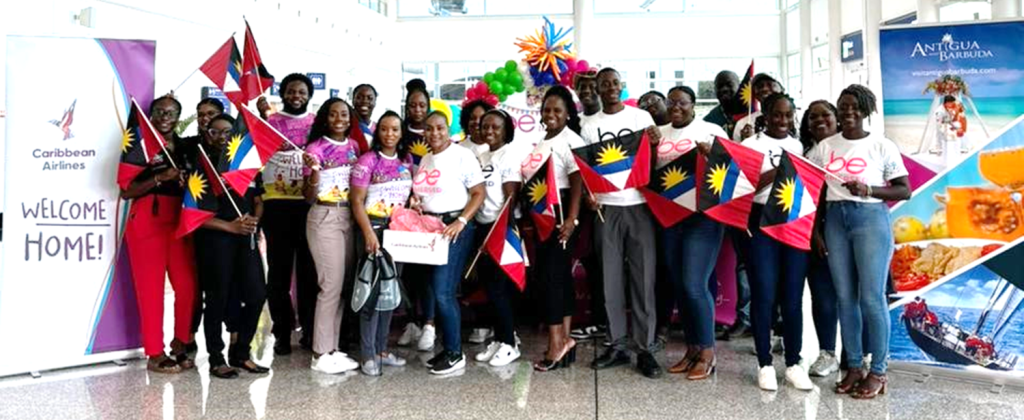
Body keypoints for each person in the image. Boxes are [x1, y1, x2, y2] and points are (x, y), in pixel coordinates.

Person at [807, 84, 911, 399]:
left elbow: (903, 190)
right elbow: (812, 187)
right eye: (843, 106)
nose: (848, 112)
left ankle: (878, 371)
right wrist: (816, 231)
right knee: (845, 299)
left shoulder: (881, 146)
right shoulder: (826, 147)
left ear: (865, 111)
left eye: (854, 107)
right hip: (836, 220)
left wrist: (870, 190)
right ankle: (853, 366)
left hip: (870, 220)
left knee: (871, 298)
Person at [580, 68, 664, 379]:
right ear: (598, 90)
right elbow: (586, 167)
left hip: (640, 206)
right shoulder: (588, 125)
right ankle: (616, 343)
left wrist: (654, 142)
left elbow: (655, 158)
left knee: (643, 279)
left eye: (615, 83)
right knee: (610, 280)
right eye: (605, 84)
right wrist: (589, 195)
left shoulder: (641, 118)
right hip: (606, 210)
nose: (611, 88)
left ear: (622, 86)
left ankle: (645, 348)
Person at [654, 86, 729, 380]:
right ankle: (692, 348)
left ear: (693, 105)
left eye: (682, 102)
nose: (676, 107)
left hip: (703, 218)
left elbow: (730, 173)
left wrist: (712, 156)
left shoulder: (711, 130)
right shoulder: (659, 132)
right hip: (670, 217)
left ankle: (708, 352)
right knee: (679, 284)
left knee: (694, 283)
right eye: (671, 102)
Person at [740, 93, 813, 391]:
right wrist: (777, 171)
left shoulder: (798, 146)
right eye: (777, 115)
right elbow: (741, 187)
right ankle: (765, 363)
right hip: (761, 221)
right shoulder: (750, 145)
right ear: (765, 115)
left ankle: (794, 363)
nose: (783, 121)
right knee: (764, 294)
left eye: (789, 115)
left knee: (793, 297)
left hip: (793, 218)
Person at [120, 95, 197, 374]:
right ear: (151, 115)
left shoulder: (188, 146)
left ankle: (180, 343)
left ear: (178, 117)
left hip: (180, 220)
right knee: (151, 291)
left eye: (171, 112)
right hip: (147, 221)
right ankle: (154, 352)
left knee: (187, 286)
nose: (165, 116)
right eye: (160, 111)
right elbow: (126, 190)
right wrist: (159, 178)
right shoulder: (141, 145)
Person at [192, 114, 268, 379]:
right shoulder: (202, 168)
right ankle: (216, 358)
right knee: (217, 299)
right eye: (216, 132)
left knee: (258, 293)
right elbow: (193, 216)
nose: (223, 137)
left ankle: (242, 352)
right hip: (217, 240)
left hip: (245, 237)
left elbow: (258, 199)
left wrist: (255, 218)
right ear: (207, 134)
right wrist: (230, 227)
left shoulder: (246, 164)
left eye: (228, 133)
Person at [411, 111, 486, 375]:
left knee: (443, 291)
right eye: (429, 129)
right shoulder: (425, 158)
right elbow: (422, 193)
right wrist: (416, 203)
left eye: (440, 128)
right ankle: (449, 347)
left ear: (448, 129)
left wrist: (462, 221)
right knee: (435, 288)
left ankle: (455, 354)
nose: (434, 133)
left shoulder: (462, 155)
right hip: (430, 230)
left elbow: (479, 192)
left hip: (454, 228)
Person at [349, 111, 413, 376]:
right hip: (373, 229)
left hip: (398, 232)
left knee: (390, 295)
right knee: (371, 295)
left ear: (401, 133)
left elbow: (408, 196)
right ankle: (367, 355)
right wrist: (368, 234)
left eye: (395, 129)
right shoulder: (367, 160)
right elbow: (356, 201)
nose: (389, 134)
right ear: (378, 132)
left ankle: (381, 350)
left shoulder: (406, 161)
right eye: (384, 129)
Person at [302, 98, 363, 374]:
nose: (339, 118)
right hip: (324, 217)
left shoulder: (354, 147)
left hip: (349, 217)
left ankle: (332, 347)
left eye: (344, 114)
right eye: (333, 114)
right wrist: (314, 172)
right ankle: (320, 354)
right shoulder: (314, 149)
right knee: (330, 286)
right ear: (325, 118)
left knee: (342, 286)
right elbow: (308, 196)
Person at [527, 86, 584, 371]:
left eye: (557, 110)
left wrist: (571, 220)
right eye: (547, 109)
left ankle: (556, 344)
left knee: (551, 280)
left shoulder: (570, 140)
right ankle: (562, 340)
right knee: (557, 278)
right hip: (542, 214)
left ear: (567, 114)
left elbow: (577, 181)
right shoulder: (542, 140)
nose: (551, 114)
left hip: (560, 213)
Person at [263, 73, 319, 355]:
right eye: (291, 91)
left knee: (309, 274)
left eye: (302, 92)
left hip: (309, 206)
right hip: (275, 206)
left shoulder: (315, 125)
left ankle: (309, 331)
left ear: (309, 95)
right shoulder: (269, 124)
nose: (296, 96)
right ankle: (282, 331)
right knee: (278, 274)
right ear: (283, 93)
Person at [471, 109, 524, 367]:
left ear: (506, 131)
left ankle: (509, 344)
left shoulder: (509, 155)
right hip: (481, 225)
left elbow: (511, 199)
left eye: (496, 127)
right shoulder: (481, 154)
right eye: (485, 126)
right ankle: (501, 337)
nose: (489, 131)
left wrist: (495, 233)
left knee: (500, 288)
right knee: (490, 288)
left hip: (500, 227)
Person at [800, 100, 844, 378]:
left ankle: (856, 354)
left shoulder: (850, 147)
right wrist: (815, 233)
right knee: (823, 294)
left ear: (837, 118)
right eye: (812, 116)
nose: (819, 120)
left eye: (825, 115)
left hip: (846, 226)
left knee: (852, 295)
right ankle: (827, 353)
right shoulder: (806, 153)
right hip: (814, 230)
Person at [396, 78, 439, 352]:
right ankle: (411, 322)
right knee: (407, 274)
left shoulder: (435, 135)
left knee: (429, 274)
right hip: (403, 214)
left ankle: (430, 324)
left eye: (422, 104)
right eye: (412, 105)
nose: (417, 109)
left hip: (430, 213)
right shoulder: (398, 133)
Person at [181, 97, 225, 353]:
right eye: (201, 114)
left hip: (225, 226)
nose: (205, 118)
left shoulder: (232, 151)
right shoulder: (188, 146)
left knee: (220, 288)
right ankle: (188, 335)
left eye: (211, 114)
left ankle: (226, 341)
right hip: (193, 222)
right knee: (194, 284)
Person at [568, 67, 608, 342]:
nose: (587, 92)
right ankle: (596, 319)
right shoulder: (576, 123)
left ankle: (605, 321)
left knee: (605, 265)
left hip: (607, 202)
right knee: (590, 262)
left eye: (593, 87)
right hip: (583, 203)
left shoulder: (610, 120)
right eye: (582, 87)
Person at [460, 100, 496, 345]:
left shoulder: (497, 148)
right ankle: (475, 321)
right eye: (472, 118)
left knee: (490, 275)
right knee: (468, 274)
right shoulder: (459, 148)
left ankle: (490, 322)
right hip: (464, 220)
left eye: (482, 119)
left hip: (491, 221)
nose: (477, 123)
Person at [734, 73, 783, 141]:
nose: (764, 89)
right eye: (760, 86)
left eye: (769, 84)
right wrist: (745, 143)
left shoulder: (796, 117)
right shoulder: (742, 124)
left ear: (781, 89)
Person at [703, 70, 741, 136]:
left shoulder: (750, 114)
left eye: (729, 85)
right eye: (720, 86)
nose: (724, 89)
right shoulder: (709, 120)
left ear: (739, 86)